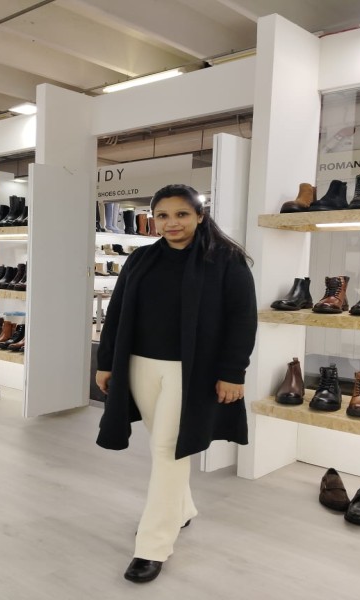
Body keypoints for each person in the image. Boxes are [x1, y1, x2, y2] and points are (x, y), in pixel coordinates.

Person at [95, 183, 257, 583]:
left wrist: (233, 372)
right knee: (163, 446)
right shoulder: (142, 259)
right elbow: (118, 312)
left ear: (200, 216)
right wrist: (106, 362)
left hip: (191, 372)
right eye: (162, 215)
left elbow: (242, 319)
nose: (171, 223)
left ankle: (152, 546)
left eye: (181, 214)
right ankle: (181, 508)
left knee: (168, 449)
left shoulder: (226, 260)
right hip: (140, 366)